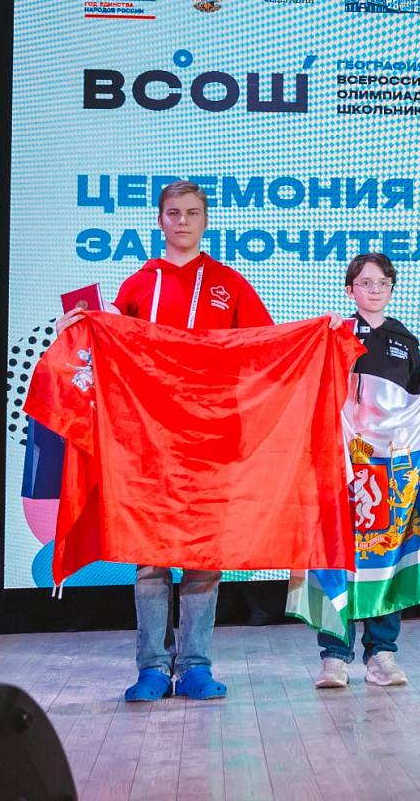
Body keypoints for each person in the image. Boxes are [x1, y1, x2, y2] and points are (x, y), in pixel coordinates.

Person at [60, 180, 274, 702]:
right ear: (160, 221)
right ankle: (153, 667)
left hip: (211, 437)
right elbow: (108, 349)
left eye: (192, 213)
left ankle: (196, 664)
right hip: (148, 442)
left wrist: (320, 335)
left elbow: (264, 345)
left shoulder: (229, 283)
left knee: (204, 554)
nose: (183, 221)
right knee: (150, 556)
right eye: (174, 213)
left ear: (206, 221)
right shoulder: (139, 284)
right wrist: (81, 328)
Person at [314, 253, 420, 689]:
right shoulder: (334, 334)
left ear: (392, 289)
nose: (374, 290)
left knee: (384, 553)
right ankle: (333, 655)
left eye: (382, 283)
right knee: (335, 555)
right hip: (340, 465)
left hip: (386, 468)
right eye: (365, 282)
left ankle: (382, 653)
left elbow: (416, 399)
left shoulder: (404, 339)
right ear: (350, 290)